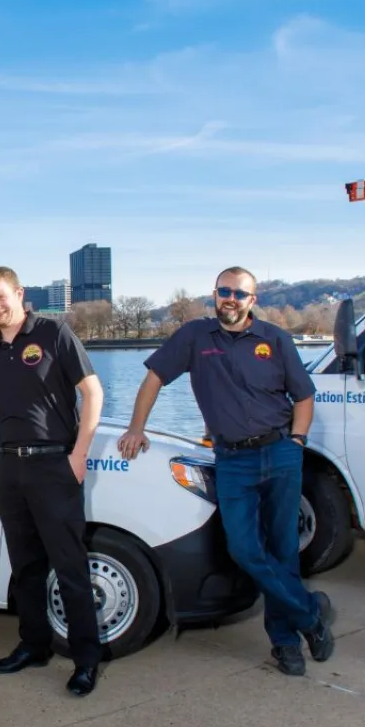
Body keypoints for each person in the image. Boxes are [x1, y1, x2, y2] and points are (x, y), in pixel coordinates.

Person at [118, 266, 335, 677]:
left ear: (252, 300)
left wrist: (299, 441)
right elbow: (153, 379)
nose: (230, 298)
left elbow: (304, 396)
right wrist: (135, 428)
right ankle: (310, 614)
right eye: (224, 291)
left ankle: (286, 643)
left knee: (283, 550)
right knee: (244, 549)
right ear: (214, 295)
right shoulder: (195, 337)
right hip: (233, 461)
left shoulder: (275, 339)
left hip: (280, 453)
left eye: (239, 293)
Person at [0, 266, 105, 697]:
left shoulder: (54, 334)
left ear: (19, 294)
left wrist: (78, 456)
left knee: (69, 566)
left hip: (54, 465)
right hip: (11, 469)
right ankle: (33, 645)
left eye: (1, 297)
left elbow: (93, 393)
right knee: (25, 567)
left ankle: (86, 659)